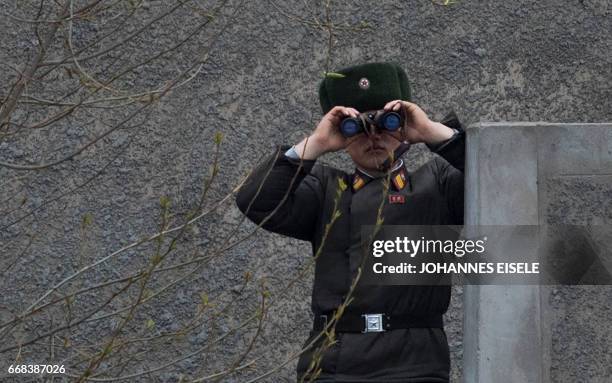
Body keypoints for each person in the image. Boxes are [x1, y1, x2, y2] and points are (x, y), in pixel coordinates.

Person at [236, 62, 465, 382]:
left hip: (415, 365)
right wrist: (315, 143)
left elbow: (499, 180)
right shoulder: (326, 190)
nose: (373, 136)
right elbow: (255, 200)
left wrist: (431, 131)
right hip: (333, 365)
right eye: (355, 127)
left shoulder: (437, 185)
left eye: (387, 123)